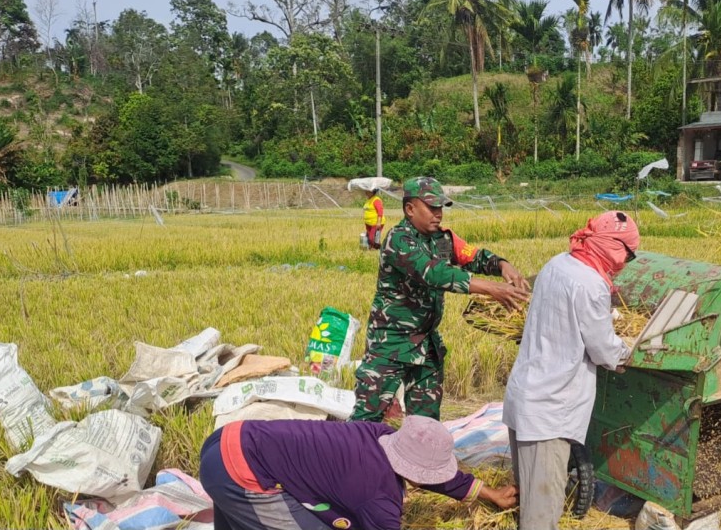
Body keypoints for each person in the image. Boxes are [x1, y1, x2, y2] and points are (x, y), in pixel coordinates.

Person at [502, 210, 639, 530]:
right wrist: (629, 351)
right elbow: (604, 348)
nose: (623, 263)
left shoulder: (557, 264)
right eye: (627, 254)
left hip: (526, 395)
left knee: (528, 498)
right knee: (541, 516)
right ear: (615, 246)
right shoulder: (591, 283)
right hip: (549, 411)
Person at [351, 176, 530, 422]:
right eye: (432, 207)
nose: (438, 214)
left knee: (426, 423)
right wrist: (492, 289)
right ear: (410, 209)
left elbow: (472, 256)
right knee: (366, 419)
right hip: (391, 342)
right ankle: (350, 459)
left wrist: (501, 265)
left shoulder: (442, 239)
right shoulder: (399, 240)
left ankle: (417, 460)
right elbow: (435, 274)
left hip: (426, 343)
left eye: (441, 207)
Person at [199, 415, 518, 530]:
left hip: (228, 439)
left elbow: (428, 469)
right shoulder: (378, 497)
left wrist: (489, 493)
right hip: (240, 473)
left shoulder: (378, 433)